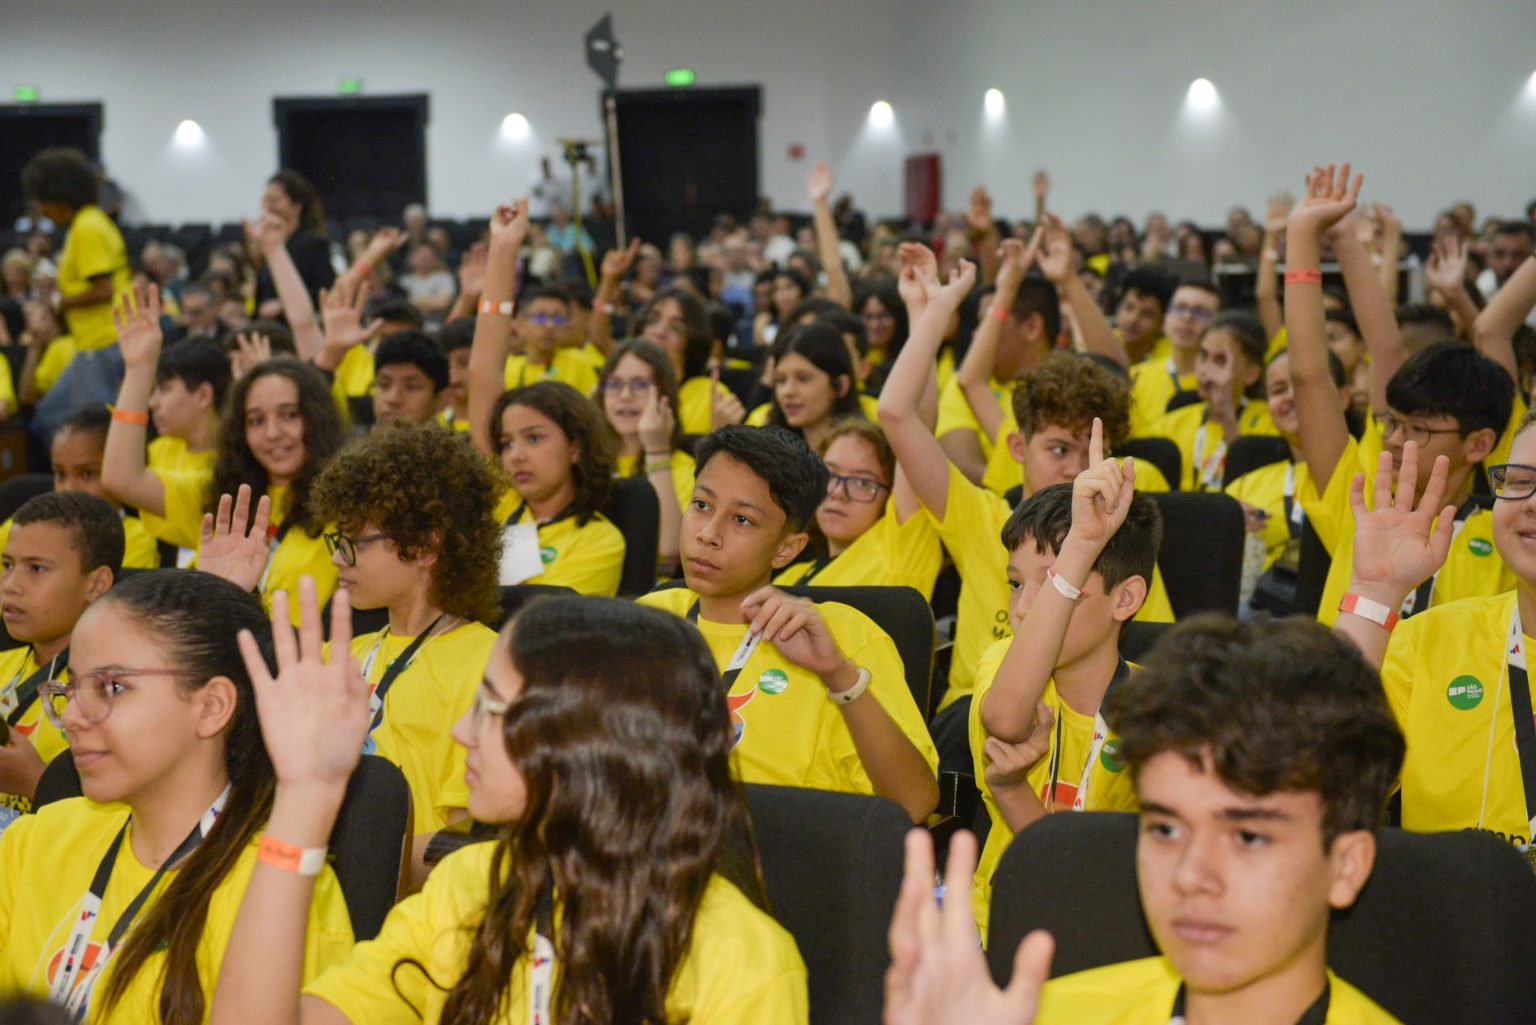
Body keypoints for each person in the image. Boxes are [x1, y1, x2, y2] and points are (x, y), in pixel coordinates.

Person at [208, 590, 809, 1024]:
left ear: (586, 748)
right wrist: (306, 795)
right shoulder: (469, 885)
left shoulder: (742, 959)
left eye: (492, 712)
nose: (461, 732)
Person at [885, 614, 1405, 1025]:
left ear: (1346, 866)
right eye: (1166, 829)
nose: (1189, 875)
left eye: (1248, 835)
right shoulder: (1037, 1014)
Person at [0, 570, 354, 1019]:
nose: (71, 716)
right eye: (71, 687)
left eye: (112, 687)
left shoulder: (284, 891)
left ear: (211, 707)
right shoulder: (38, 839)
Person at [879, 249, 1173, 744]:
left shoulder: (1118, 541)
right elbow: (896, 415)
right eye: (1058, 448)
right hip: (970, 724)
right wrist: (932, 312)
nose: (1075, 467)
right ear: (1018, 447)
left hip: (1082, 728)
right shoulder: (981, 514)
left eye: (1089, 451)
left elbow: (1160, 653)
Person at [637, 425, 939, 822]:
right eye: (702, 505)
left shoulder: (846, 637)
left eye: (742, 520)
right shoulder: (647, 621)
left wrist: (838, 676)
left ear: (786, 549)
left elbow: (914, 803)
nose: (708, 534)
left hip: (782, 861)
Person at [1285, 165, 1515, 626]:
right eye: (1393, 422)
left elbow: (1490, 330)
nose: (1393, 438)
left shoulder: (1508, 535)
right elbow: (1310, 375)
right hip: (1339, 698)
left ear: (1479, 444)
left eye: (1419, 430)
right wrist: (1304, 237)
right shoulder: (1359, 502)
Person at [967, 421, 1161, 942]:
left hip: (1110, 939)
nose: (1026, 606)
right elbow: (1006, 721)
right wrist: (1080, 547)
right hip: (997, 928)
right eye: (1015, 584)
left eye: (1059, 583)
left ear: (1125, 599)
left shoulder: (1161, 711)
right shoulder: (1004, 665)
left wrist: (1086, 542)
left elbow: (1095, 884)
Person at [307, 421, 501, 879]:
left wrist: (317, 861)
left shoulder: (490, 665)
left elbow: (463, 849)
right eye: (339, 541)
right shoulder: (339, 654)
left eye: (355, 542)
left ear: (425, 547)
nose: (338, 558)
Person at [103, 284, 343, 620]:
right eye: (256, 420)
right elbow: (121, 477)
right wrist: (140, 368)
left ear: (316, 418)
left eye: (289, 415)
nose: (273, 434)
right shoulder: (223, 497)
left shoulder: (349, 503)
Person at [0, 493, 120, 828]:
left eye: (37, 569)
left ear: (97, 584)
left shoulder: (117, 693)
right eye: (7, 565)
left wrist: (34, 782)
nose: (11, 585)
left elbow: (119, 826)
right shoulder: (4, 664)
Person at [773, 418, 943, 597]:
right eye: (829, 474)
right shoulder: (789, 577)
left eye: (862, 482)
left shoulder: (900, 553)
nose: (838, 492)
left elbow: (906, 414)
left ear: (891, 494)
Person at [0, 407, 160, 570]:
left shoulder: (135, 539)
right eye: (60, 474)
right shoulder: (19, 528)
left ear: (119, 475)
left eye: (87, 473)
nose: (69, 488)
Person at [1149, 311, 1278, 491]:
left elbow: (1253, 490)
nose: (1205, 369)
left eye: (1220, 360)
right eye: (1203, 355)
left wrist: (1226, 414)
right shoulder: (1168, 425)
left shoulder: (1270, 422)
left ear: (1251, 373)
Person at [19, 148, 130, 354]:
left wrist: (56, 301)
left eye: (43, 200)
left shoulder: (86, 227)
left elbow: (104, 290)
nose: (41, 210)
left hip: (103, 341)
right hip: (99, 340)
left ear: (59, 195)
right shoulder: (89, 221)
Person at [599, 339, 694, 575]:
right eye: (614, 384)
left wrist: (656, 451)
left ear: (665, 396)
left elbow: (670, 548)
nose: (625, 395)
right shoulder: (585, 458)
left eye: (640, 385)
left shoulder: (684, 466)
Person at [745, 321, 870, 448]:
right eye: (781, 380)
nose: (788, 391)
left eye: (803, 379)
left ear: (841, 385)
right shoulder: (762, 437)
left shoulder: (869, 444)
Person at [1127, 281, 1220, 439]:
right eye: (1180, 308)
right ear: (1165, 319)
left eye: (1200, 312)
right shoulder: (1134, 376)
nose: (1187, 317)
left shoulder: (1220, 383)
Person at [253, 170, 336, 313]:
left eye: (275, 201)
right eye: (267, 200)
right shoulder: (265, 244)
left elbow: (325, 291)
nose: (270, 207)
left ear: (297, 205)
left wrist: (282, 305)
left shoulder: (313, 244)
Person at [146, 337, 227, 478]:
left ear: (203, 396)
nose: (152, 403)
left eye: (165, 390)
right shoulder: (158, 449)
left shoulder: (235, 464)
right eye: (154, 391)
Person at [499, 286, 600, 395]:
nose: (550, 325)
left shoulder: (578, 363)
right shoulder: (507, 367)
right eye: (540, 317)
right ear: (519, 324)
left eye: (558, 319)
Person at [369, 331, 446, 427]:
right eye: (384, 385)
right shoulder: (355, 439)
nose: (393, 399)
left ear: (441, 400)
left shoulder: (461, 441)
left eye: (411, 387)